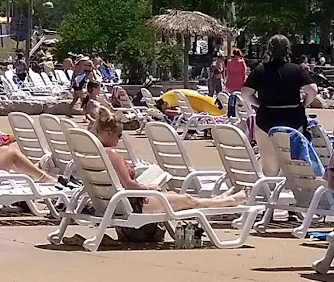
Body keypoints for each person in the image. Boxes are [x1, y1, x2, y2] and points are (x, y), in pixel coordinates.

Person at [94, 108, 246, 213]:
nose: (119, 139)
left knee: (176, 195)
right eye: (119, 135)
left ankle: (219, 199)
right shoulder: (112, 154)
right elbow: (129, 185)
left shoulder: (95, 152)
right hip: (134, 204)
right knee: (188, 200)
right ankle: (227, 202)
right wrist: (149, 188)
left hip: (115, 202)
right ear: (109, 132)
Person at [240, 35, 318, 176]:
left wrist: (258, 103)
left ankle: (270, 191)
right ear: (288, 50)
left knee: (269, 164)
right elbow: (312, 90)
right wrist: (303, 104)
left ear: (269, 50)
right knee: (291, 163)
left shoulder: (260, 70)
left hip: (266, 118)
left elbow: (245, 93)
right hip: (292, 119)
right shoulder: (297, 69)